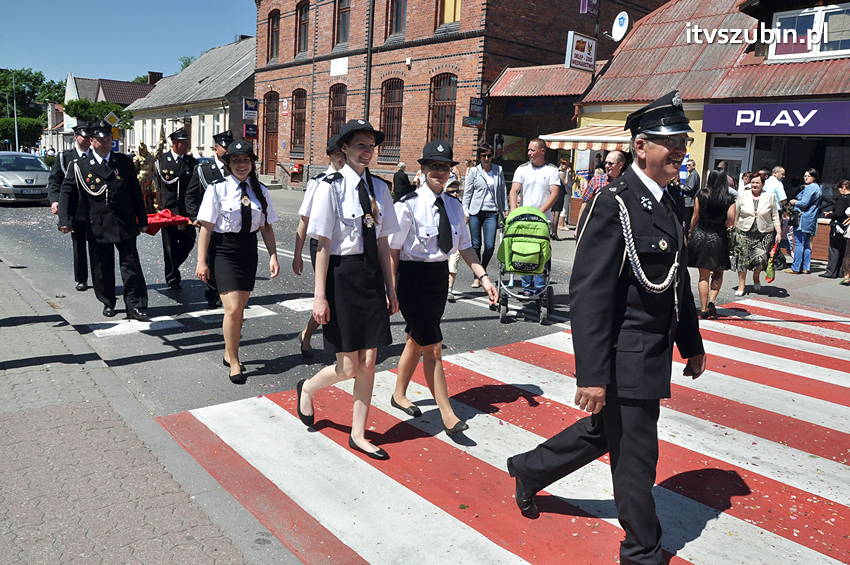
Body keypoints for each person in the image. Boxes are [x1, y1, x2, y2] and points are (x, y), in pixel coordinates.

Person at [506, 91, 705, 565]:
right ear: (640, 146)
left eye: (682, 140)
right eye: (670, 141)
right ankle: (642, 551)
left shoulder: (671, 201)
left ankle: (529, 470)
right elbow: (590, 295)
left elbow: (676, 280)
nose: (680, 150)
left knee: (605, 432)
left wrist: (691, 341)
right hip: (625, 351)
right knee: (637, 456)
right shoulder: (613, 203)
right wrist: (592, 374)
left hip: (652, 349)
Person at [296, 119, 399, 460]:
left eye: (370, 146)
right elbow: (323, 245)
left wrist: (391, 287)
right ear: (344, 148)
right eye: (359, 145)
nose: (366, 152)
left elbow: (384, 242)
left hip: (370, 276)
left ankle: (359, 433)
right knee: (347, 367)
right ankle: (308, 388)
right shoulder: (330, 187)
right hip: (341, 275)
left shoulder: (381, 189)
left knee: (369, 360)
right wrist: (319, 295)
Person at [389, 140, 498, 434]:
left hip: (438, 278)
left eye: (444, 167)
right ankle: (447, 413)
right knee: (433, 346)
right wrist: (389, 289)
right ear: (422, 169)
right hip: (411, 279)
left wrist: (484, 278)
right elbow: (393, 252)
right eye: (434, 166)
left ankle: (398, 394)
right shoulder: (407, 206)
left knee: (417, 338)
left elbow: (465, 247)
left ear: (451, 172)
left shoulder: (454, 206)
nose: (439, 171)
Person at [195, 140, 280, 384]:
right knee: (232, 309)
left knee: (240, 310)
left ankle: (227, 349)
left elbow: (266, 226)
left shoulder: (260, 190)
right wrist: (202, 261)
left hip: (248, 250)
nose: (241, 165)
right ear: (228, 163)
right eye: (236, 160)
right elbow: (206, 229)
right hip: (223, 250)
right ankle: (234, 360)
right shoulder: (217, 189)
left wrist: (273, 255)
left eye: (246, 160)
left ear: (252, 163)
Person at [57, 122, 151, 321]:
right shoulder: (80, 165)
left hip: (124, 222)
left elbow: (135, 191)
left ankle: (135, 305)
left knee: (131, 265)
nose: (107, 144)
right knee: (102, 267)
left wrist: (142, 219)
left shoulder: (123, 162)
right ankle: (107, 301)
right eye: (102, 141)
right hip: (97, 223)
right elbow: (66, 192)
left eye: (109, 140)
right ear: (92, 141)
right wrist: (64, 219)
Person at [292, 134, 346, 356]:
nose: (342, 159)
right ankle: (318, 339)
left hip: (345, 246)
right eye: (337, 155)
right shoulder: (319, 182)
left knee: (339, 297)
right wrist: (297, 255)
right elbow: (304, 220)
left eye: (344, 154)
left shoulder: (357, 181)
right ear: (330, 156)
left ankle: (308, 333)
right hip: (321, 245)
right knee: (330, 296)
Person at [187, 130, 233, 308]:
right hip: (210, 223)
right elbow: (190, 195)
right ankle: (213, 292)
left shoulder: (235, 169)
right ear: (216, 148)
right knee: (212, 258)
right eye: (225, 147)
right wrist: (194, 216)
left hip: (230, 223)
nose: (228, 151)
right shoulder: (203, 169)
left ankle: (228, 291)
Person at [509, 138, 560, 296]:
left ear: (542, 151)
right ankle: (526, 288)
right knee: (525, 251)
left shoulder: (551, 170)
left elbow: (555, 193)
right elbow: (514, 191)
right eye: (529, 150)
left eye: (532, 150)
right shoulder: (522, 169)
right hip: (524, 219)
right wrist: (513, 211)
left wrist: (540, 211)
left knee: (540, 252)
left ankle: (539, 288)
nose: (529, 153)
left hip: (542, 219)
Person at [47, 122, 92, 292]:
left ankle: (100, 279)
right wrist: (55, 201)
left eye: (89, 137)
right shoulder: (64, 157)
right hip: (74, 208)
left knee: (97, 245)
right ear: (76, 137)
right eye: (84, 137)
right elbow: (54, 183)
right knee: (79, 245)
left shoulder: (95, 156)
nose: (87, 140)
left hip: (93, 209)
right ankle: (81, 278)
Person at [155, 128, 200, 290]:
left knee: (188, 242)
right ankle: (172, 278)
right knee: (170, 245)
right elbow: (156, 186)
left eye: (187, 142)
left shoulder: (192, 162)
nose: (187, 145)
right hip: (168, 211)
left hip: (187, 211)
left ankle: (173, 266)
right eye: (183, 142)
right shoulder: (161, 161)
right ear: (174, 143)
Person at [687, 169, 735, 316]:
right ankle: (712, 301)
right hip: (718, 237)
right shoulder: (729, 198)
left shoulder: (701, 194)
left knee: (703, 276)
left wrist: (690, 231)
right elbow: (730, 221)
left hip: (701, 235)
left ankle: (703, 309)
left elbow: (695, 216)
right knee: (719, 271)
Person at [462, 143, 507, 287]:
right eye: (484, 156)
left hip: (492, 211)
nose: (487, 158)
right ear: (479, 157)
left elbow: (502, 190)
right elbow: (467, 193)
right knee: (476, 245)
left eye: (489, 155)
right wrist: (465, 210)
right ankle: (478, 276)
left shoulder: (498, 170)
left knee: (489, 246)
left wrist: (505, 208)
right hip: (475, 212)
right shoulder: (474, 172)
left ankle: (482, 270)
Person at [730, 173, 781, 296]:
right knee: (742, 261)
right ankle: (741, 286)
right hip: (743, 232)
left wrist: (778, 232)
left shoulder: (770, 196)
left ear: (762, 184)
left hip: (764, 234)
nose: (754, 185)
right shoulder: (742, 196)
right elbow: (736, 213)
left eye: (757, 182)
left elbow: (775, 216)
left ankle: (756, 277)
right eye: (752, 182)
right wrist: (733, 227)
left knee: (761, 260)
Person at [577, 151, 626, 229]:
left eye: (610, 163)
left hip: (617, 228)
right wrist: (578, 227)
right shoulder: (596, 180)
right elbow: (585, 203)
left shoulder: (625, 183)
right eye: (605, 163)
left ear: (620, 165)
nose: (606, 166)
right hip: (596, 226)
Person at [787, 168, 822, 274]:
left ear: (814, 177)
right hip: (811, 218)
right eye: (805, 176)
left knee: (799, 243)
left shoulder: (810, 188)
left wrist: (794, 202)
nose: (806, 178)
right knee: (806, 244)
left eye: (808, 176)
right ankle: (806, 268)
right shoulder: (817, 188)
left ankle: (796, 268)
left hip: (803, 218)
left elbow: (804, 203)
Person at [821, 179, 850, 278]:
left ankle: (831, 271)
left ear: (844, 188)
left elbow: (838, 213)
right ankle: (840, 272)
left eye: (840, 189)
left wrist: (830, 214)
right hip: (847, 228)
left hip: (838, 227)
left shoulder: (842, 199)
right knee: (843, 250)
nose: (839, 191)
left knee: (834, 249)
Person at [445, 179, 464, 302]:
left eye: (457, 191)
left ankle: (449, 289)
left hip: (455, 241)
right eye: (452, 191)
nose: (456, 194)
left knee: (453, 264)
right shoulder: (440, 204)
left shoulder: (460, 205)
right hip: (440, 242)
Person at [556, 159, 574, 232]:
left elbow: (570, 183)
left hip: (565, 191)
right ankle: (561, 225)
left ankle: (561, 224)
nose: (565, 165)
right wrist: (567, 173)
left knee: (564, 208)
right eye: (563, 163)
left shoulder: (561, 171)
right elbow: (566, 182)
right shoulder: (561, 173)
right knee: (564, 208)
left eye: (566, 164)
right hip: (564, 192)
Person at [681, 158, 700, 230]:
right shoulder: (693, 174)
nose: (687, 166)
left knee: (687, 223)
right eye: (686, 165)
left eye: (689, 165)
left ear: (694, 166)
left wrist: (681, 187)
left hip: (689, 202)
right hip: (690, 201)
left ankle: (687, 238)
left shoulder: (693, 174)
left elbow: (689, 188)